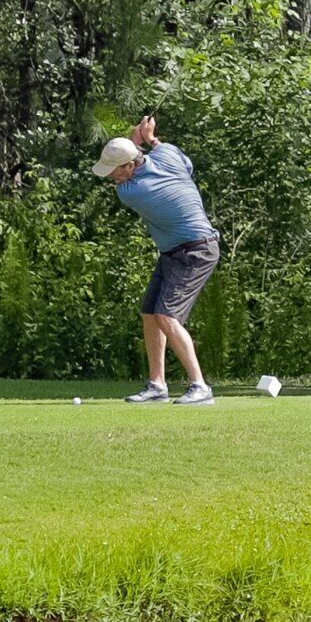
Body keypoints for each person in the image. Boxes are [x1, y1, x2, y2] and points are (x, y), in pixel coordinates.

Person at [95, 114, 216, 404]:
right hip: (174, 251)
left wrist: (136, 140)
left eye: (115, 170)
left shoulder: (132, 191)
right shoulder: (167, 153)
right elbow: (184, 165)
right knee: (150, 314)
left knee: (166, 316)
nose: (112, 176)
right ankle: (157, 385)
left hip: (195, 250)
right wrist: (150, 139)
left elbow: (138, 170)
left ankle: (200, 387)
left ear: (129, 166)